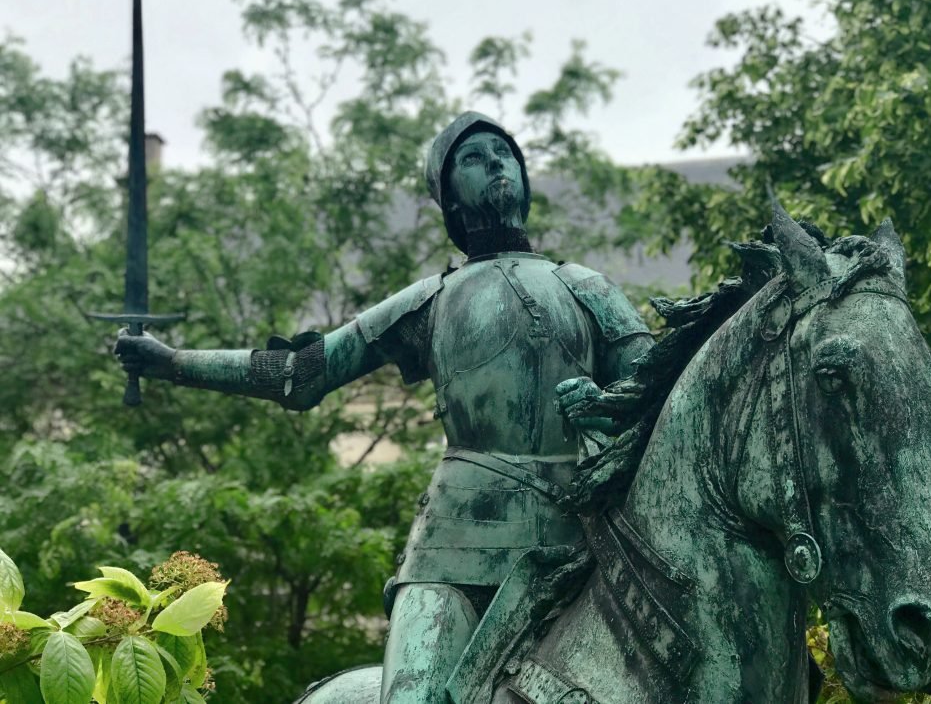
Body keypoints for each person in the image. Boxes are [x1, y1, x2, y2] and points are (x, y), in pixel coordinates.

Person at [116, 111, 653, 703]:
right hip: (452, 553)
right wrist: (172, 363)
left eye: (504, 154)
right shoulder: (429, 301)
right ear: (450, 196)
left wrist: (607, 407)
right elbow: (302, 374)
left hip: (579, 549)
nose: (495, 162)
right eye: (473, 157)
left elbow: (656, 396)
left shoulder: (589, 288)